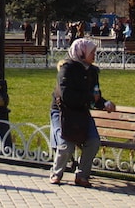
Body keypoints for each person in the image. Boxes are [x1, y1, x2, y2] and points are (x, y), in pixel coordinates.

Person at [49, 38, 116, 188]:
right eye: (92, 52)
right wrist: (91, 98)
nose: (94, 55)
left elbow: (95, 95)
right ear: (81, 52)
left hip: (81, 112)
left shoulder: (92, 71)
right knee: (67, 144)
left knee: (93, 141)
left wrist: (104, 104)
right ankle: (56, 173)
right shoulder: (67, 69)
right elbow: (67, 96)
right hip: (63, 112)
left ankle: (82, 175)